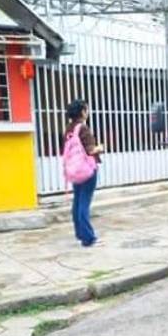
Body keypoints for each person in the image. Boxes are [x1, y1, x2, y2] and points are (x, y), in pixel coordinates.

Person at [64, 99, 105, 246]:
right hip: (87, 170)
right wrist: (100, 147)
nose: (87, 112)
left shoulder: (69, 128)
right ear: (82, 112)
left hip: (75, 170)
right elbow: (90, 150)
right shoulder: (83, 128)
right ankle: (89, 239)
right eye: (86, 109)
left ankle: (80, 234)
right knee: (84, 204)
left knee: (77, 202)